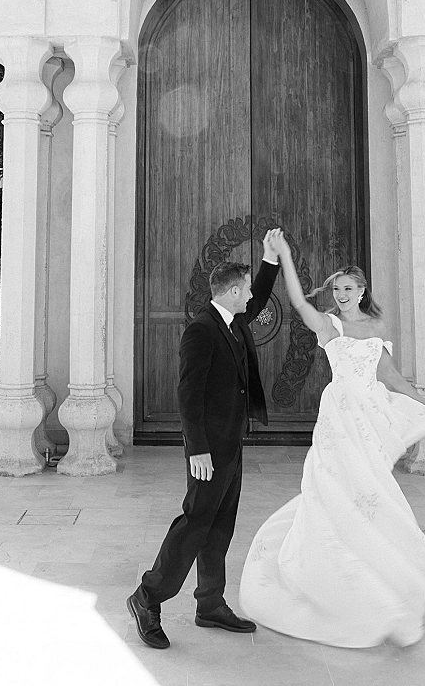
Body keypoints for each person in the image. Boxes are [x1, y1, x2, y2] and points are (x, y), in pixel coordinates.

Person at [239, 231, 425, 648]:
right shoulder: (330, 324)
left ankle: (387, 567)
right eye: (336, 289)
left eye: (347, 289)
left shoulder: (375, 325)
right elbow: (300, 304)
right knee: (332, 485)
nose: (340, 295)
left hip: (369, 417)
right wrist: (282, 256)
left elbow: (389, 374)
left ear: (361, 291)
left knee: (371, 488)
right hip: (339, 417)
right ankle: (328, 572)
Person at [127, 230, 280, 649]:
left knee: (220, 527)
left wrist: (269, 261)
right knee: (195, 523)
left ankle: (210, 603)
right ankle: (147, 596)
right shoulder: (202, 330)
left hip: (231, 443)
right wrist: (198, 448)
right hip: (209, 449)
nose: (251, 296)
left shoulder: (232, 320)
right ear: (232, 292)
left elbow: (262, 298)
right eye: (246, 289)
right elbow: (187, 394)